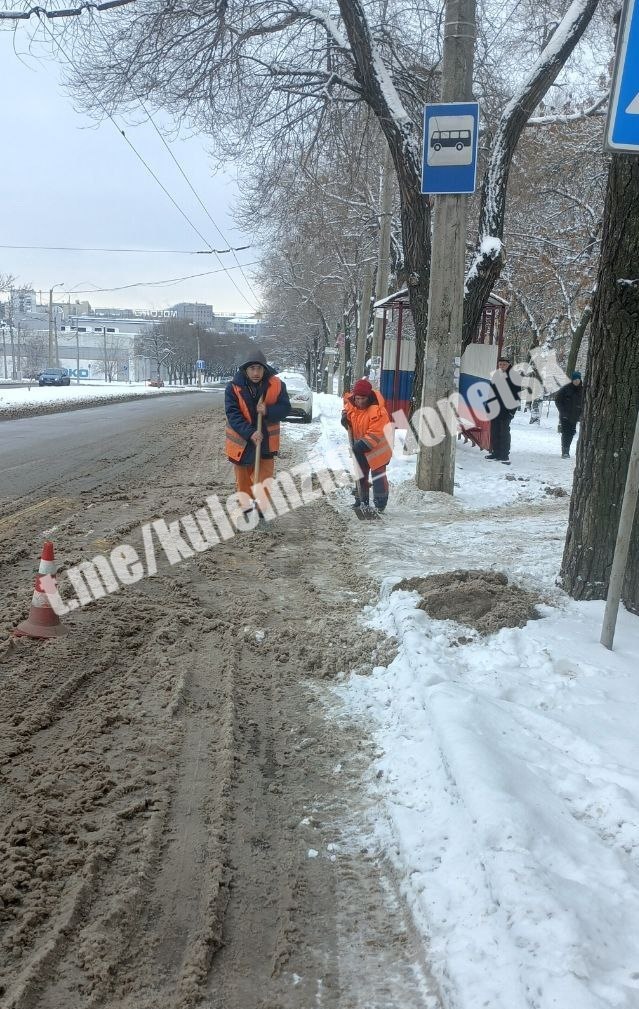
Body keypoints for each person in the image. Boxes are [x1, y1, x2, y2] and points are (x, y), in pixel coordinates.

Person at [225, 350, 291, 511]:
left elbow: (285, 408)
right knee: (243, 478)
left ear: (265, 369)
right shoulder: (233, 387)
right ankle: (246, 507)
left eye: (259, 368)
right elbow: (233, 415)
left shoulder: (277, 385)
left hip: (267, 441)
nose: (256, 372)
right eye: (252, 368)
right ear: (245, 369)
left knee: (264, 477)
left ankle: (262, 509)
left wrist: (268, 410)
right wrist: (250, 432)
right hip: (242, 441)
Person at [341, 378, 393, 511]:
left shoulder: (378, 412)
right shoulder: (352, 405)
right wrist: (344, 419)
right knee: (361, 474)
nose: (359, 401)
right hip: (360, 446)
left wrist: (358, 447)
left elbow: (375, 433)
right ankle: (361, 500)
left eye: (362, 398)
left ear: (368, 397)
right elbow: (348, 414)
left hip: (378, 449)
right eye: (357, 398)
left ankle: (380, 504)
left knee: (378, 476)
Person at [486, 356, 521, 465]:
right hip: (495, 408)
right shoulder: (496, 375)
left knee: (504, 432)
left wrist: (511, 411)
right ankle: (496, 452)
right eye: (500, 364)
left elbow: (517, 396)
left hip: (507, 410)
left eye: (504, 364)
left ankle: (504, 454)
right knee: (495, 431)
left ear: (509, 364)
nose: (502, 366)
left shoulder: (514, 376)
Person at [555, 371, 583, 458]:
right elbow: (558, 400)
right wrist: (563, 412)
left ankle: (567, 448)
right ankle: (565, 451)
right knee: (566, 433)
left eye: (578, 379)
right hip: (565, 416)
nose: (576, 381)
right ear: (572, 380)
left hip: (575, 416)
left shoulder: (583, 390)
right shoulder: (565, 389)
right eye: (575, 379)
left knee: (571, 433)